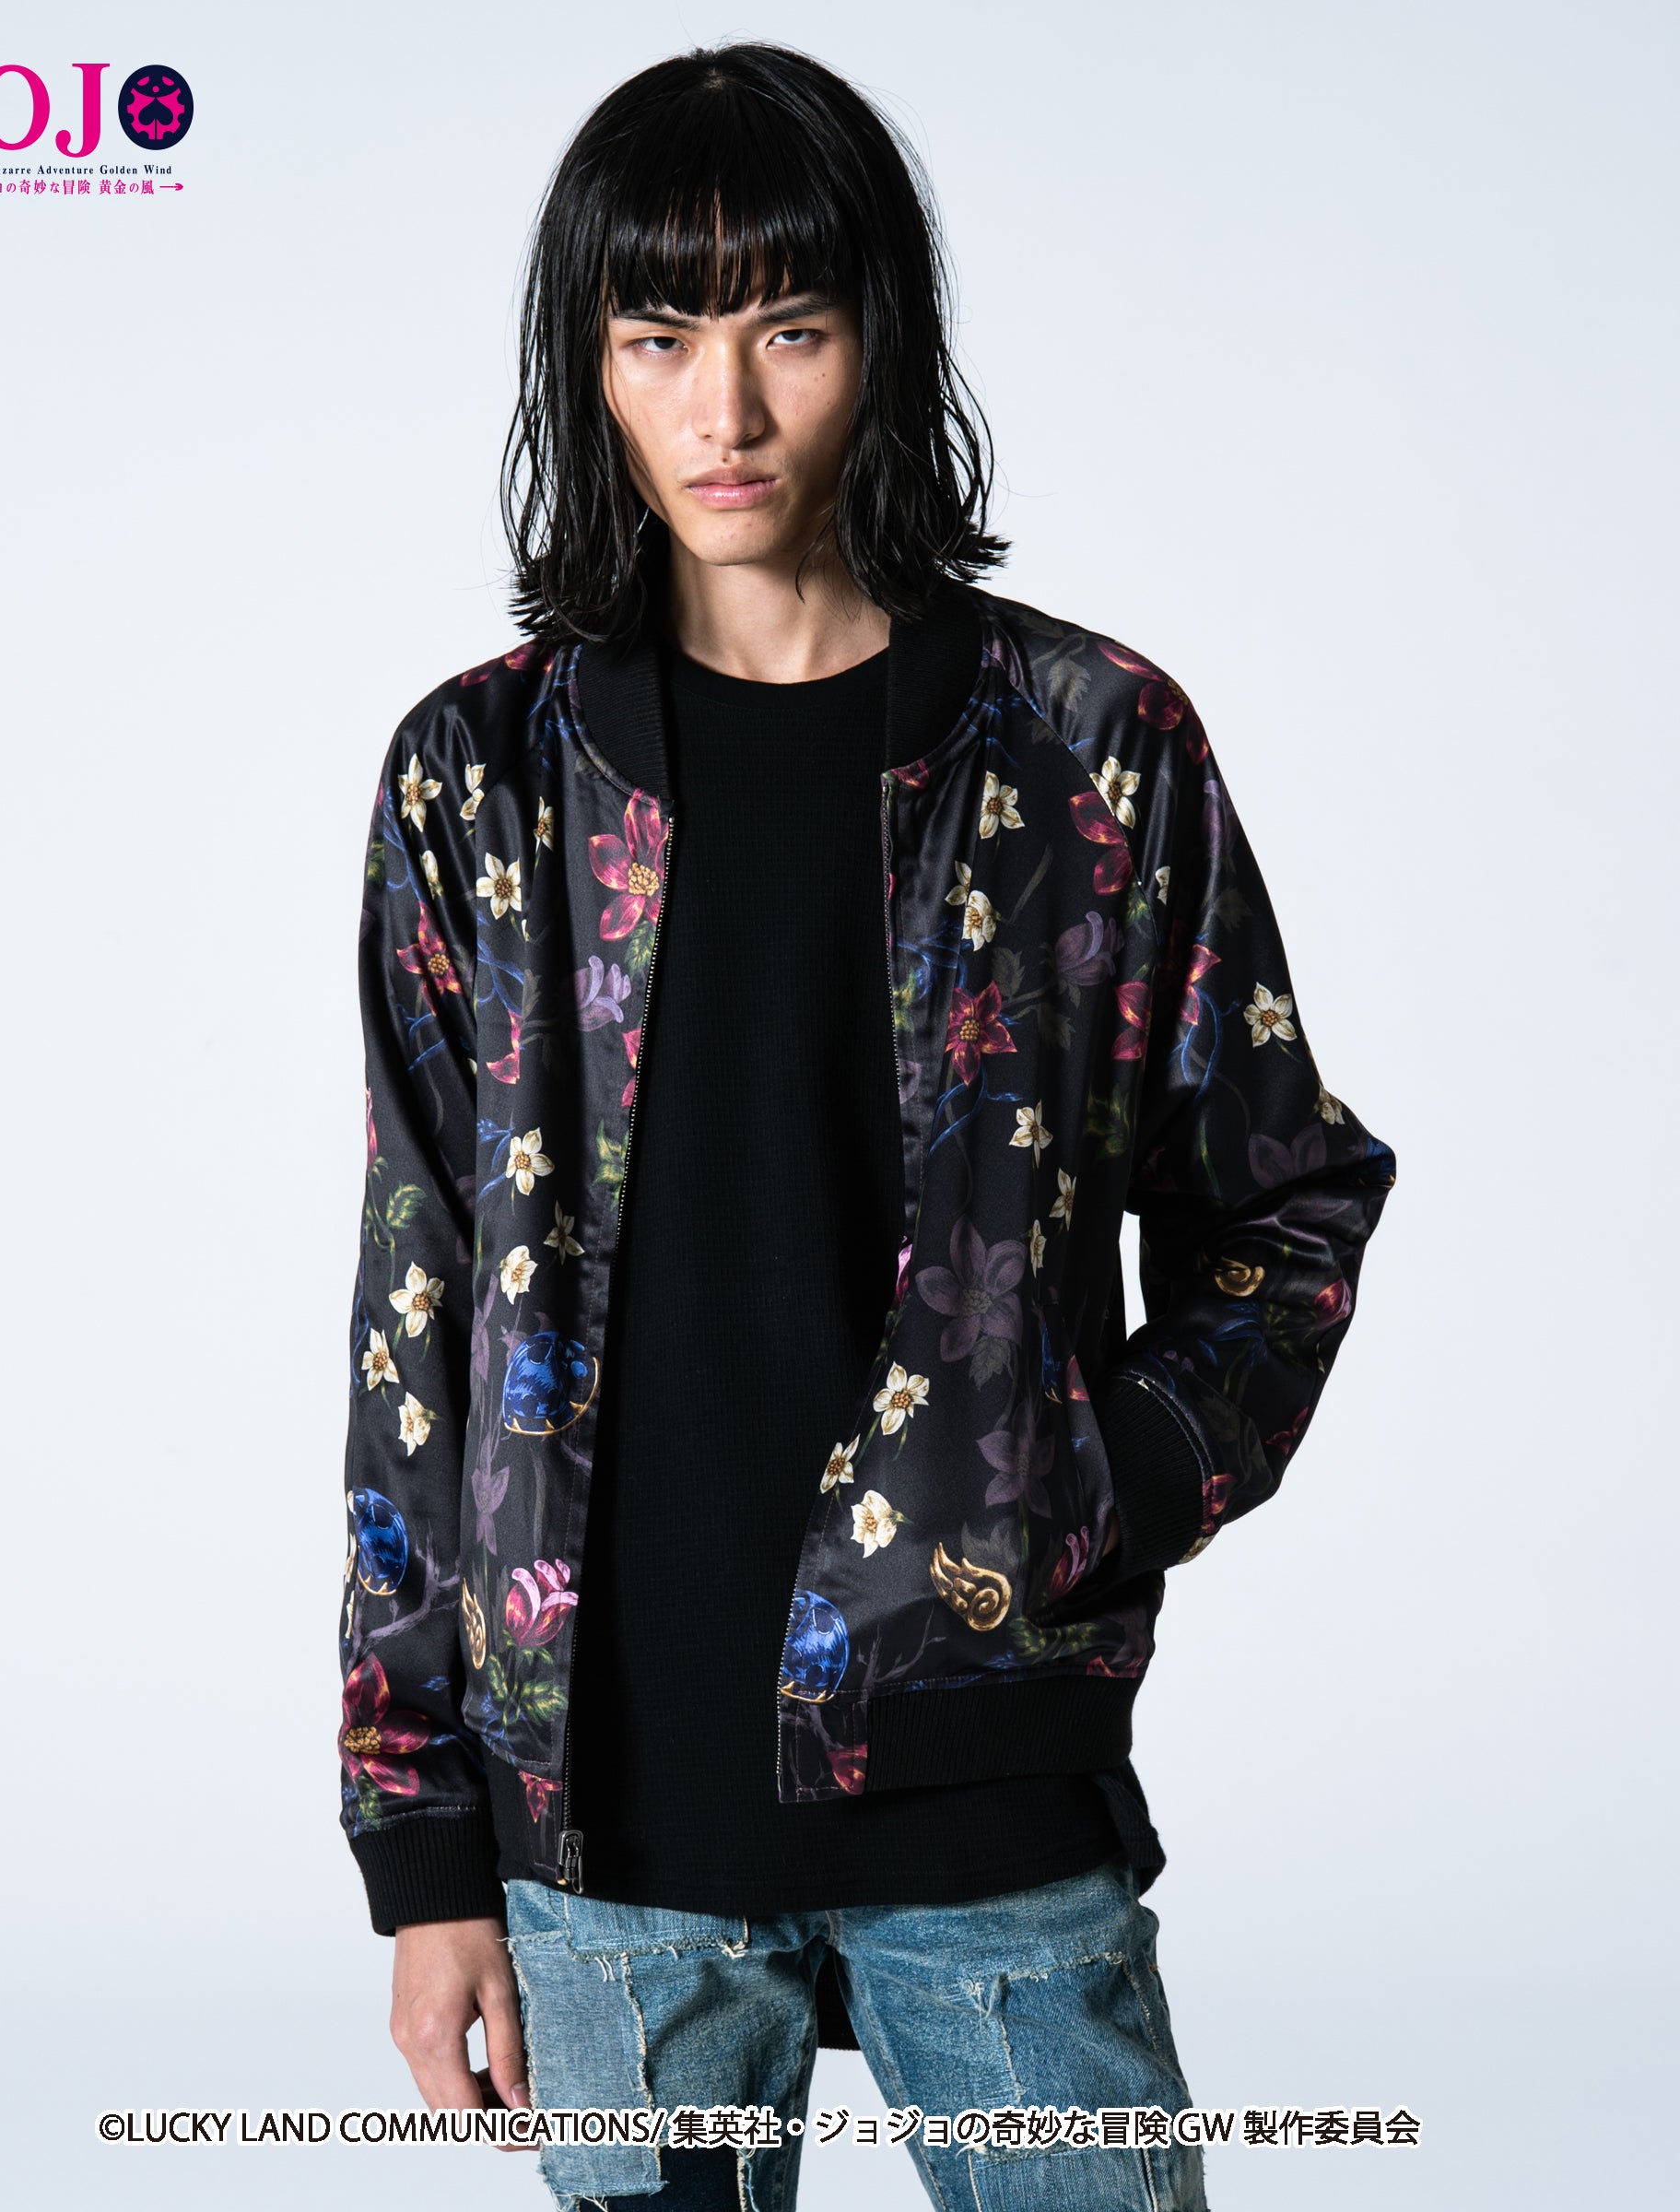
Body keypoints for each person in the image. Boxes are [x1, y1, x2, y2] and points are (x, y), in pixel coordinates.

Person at [335, 41, 1396, 2212]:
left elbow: (1285, 1202)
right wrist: (420, 1839)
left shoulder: (1087, 750)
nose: (723, 413)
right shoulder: (480, 782)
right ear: (587, 368)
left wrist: (1092, 1481)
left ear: (880, 347)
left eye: (789, 332)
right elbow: (415, 1316)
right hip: (605, 1831)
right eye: (659, 339)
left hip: (985, 1789)